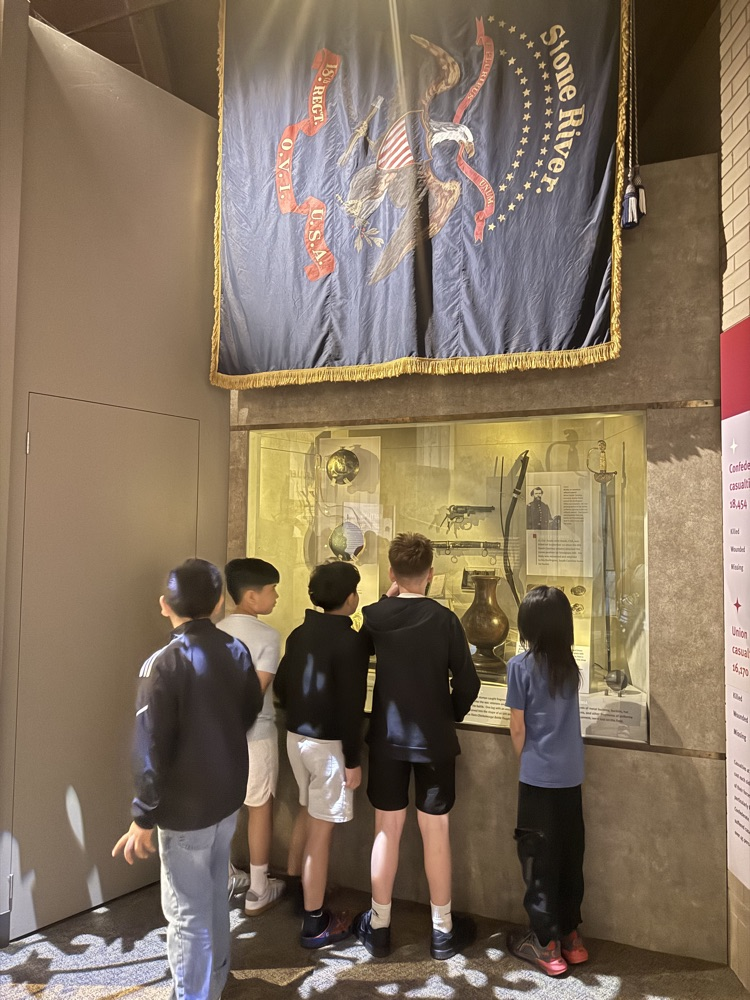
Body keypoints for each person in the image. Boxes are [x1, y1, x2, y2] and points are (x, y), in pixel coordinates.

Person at [112, 558, 262, 1000]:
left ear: (165, 606)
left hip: (184, 811)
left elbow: (149, 745)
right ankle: (213, 983)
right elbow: (250, 710)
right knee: (215, 898)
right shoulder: (236, 650)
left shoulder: (163, 663)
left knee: (186, 914)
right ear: (219, 603)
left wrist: (143, 814)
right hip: (227, 797)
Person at [353, 533, 481, 961]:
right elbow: (468, 683)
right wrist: (450, 713)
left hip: (387, 739)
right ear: (432, 574)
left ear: (391, 572)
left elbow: (364, 642)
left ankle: (380, 925)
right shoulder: (446, 621)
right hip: (433, 740)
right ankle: (442, 931)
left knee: (386, 829)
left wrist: (387, 597)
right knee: (436, 830)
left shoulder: (375, 616)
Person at [274, 560, 370, 948]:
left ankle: (301, 892)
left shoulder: (299, 633)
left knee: (306, 812)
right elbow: (351, 708)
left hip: (296, 737)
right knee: (322, 833)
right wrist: (352, 759)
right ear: (351, 598)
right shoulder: (351, 642)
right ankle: (315, 923)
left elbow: (281, 684)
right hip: (329, 746)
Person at [505, 585, 588, 977]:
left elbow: (517, 728)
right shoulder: (571, 667)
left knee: (539, 861)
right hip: (571, 778)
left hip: (538, 779)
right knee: (571, 854)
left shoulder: (519, 667)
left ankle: (545, 944)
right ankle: (572, 938)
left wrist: (524, 761)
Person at [218, 557, 286, 916]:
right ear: (251, 596)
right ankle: (259, 889)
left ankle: (225, 874)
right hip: (256, 733)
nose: (276, 597)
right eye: (272, 590)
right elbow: (255, 692)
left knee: (223, 807)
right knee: (260, 807)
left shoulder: (215, 630)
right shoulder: (268, 637)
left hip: (217, 735)